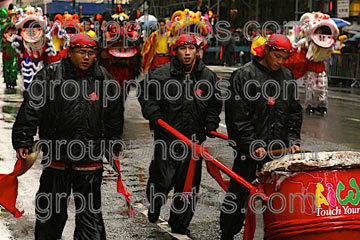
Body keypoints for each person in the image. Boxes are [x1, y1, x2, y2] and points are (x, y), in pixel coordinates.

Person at [12, 33, 124, 240]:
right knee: (51, 214)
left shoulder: (104, 78)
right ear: (70, 52)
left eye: (91, 53)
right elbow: (31, 109)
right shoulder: (50, 75)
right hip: (57, 158)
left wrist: (114, 142)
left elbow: (114, 115)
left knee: (90, 216)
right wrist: (22, 139)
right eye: (81, 52)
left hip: (90, 160)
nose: (86, 57)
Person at [220, 34, 303, 240]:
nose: (279, 62)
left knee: (277, 197)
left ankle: (275, 233)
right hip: (250, 151)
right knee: (239, 194)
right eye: (276, 56)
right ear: (266, 51)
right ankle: (228, 233)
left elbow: (294, 112)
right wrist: (251, 143)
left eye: (284, 58)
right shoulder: (244, 75)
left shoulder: (287, 77)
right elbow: (237, 115)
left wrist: (293, 140)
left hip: (278, 150)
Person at [138, 34, 222, 235]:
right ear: (175, 51)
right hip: (168, 139)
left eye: (191, 48)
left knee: (187, 188)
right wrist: (154, 114)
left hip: (193, 142)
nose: (187, 53)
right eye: (183, 49)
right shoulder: (161, 74)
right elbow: (145, 94)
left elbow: (214, 104)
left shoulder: (207, 76)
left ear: (197, 50)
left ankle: (179, 223)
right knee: (162, 180)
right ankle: (155, 203)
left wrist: (210, 123)